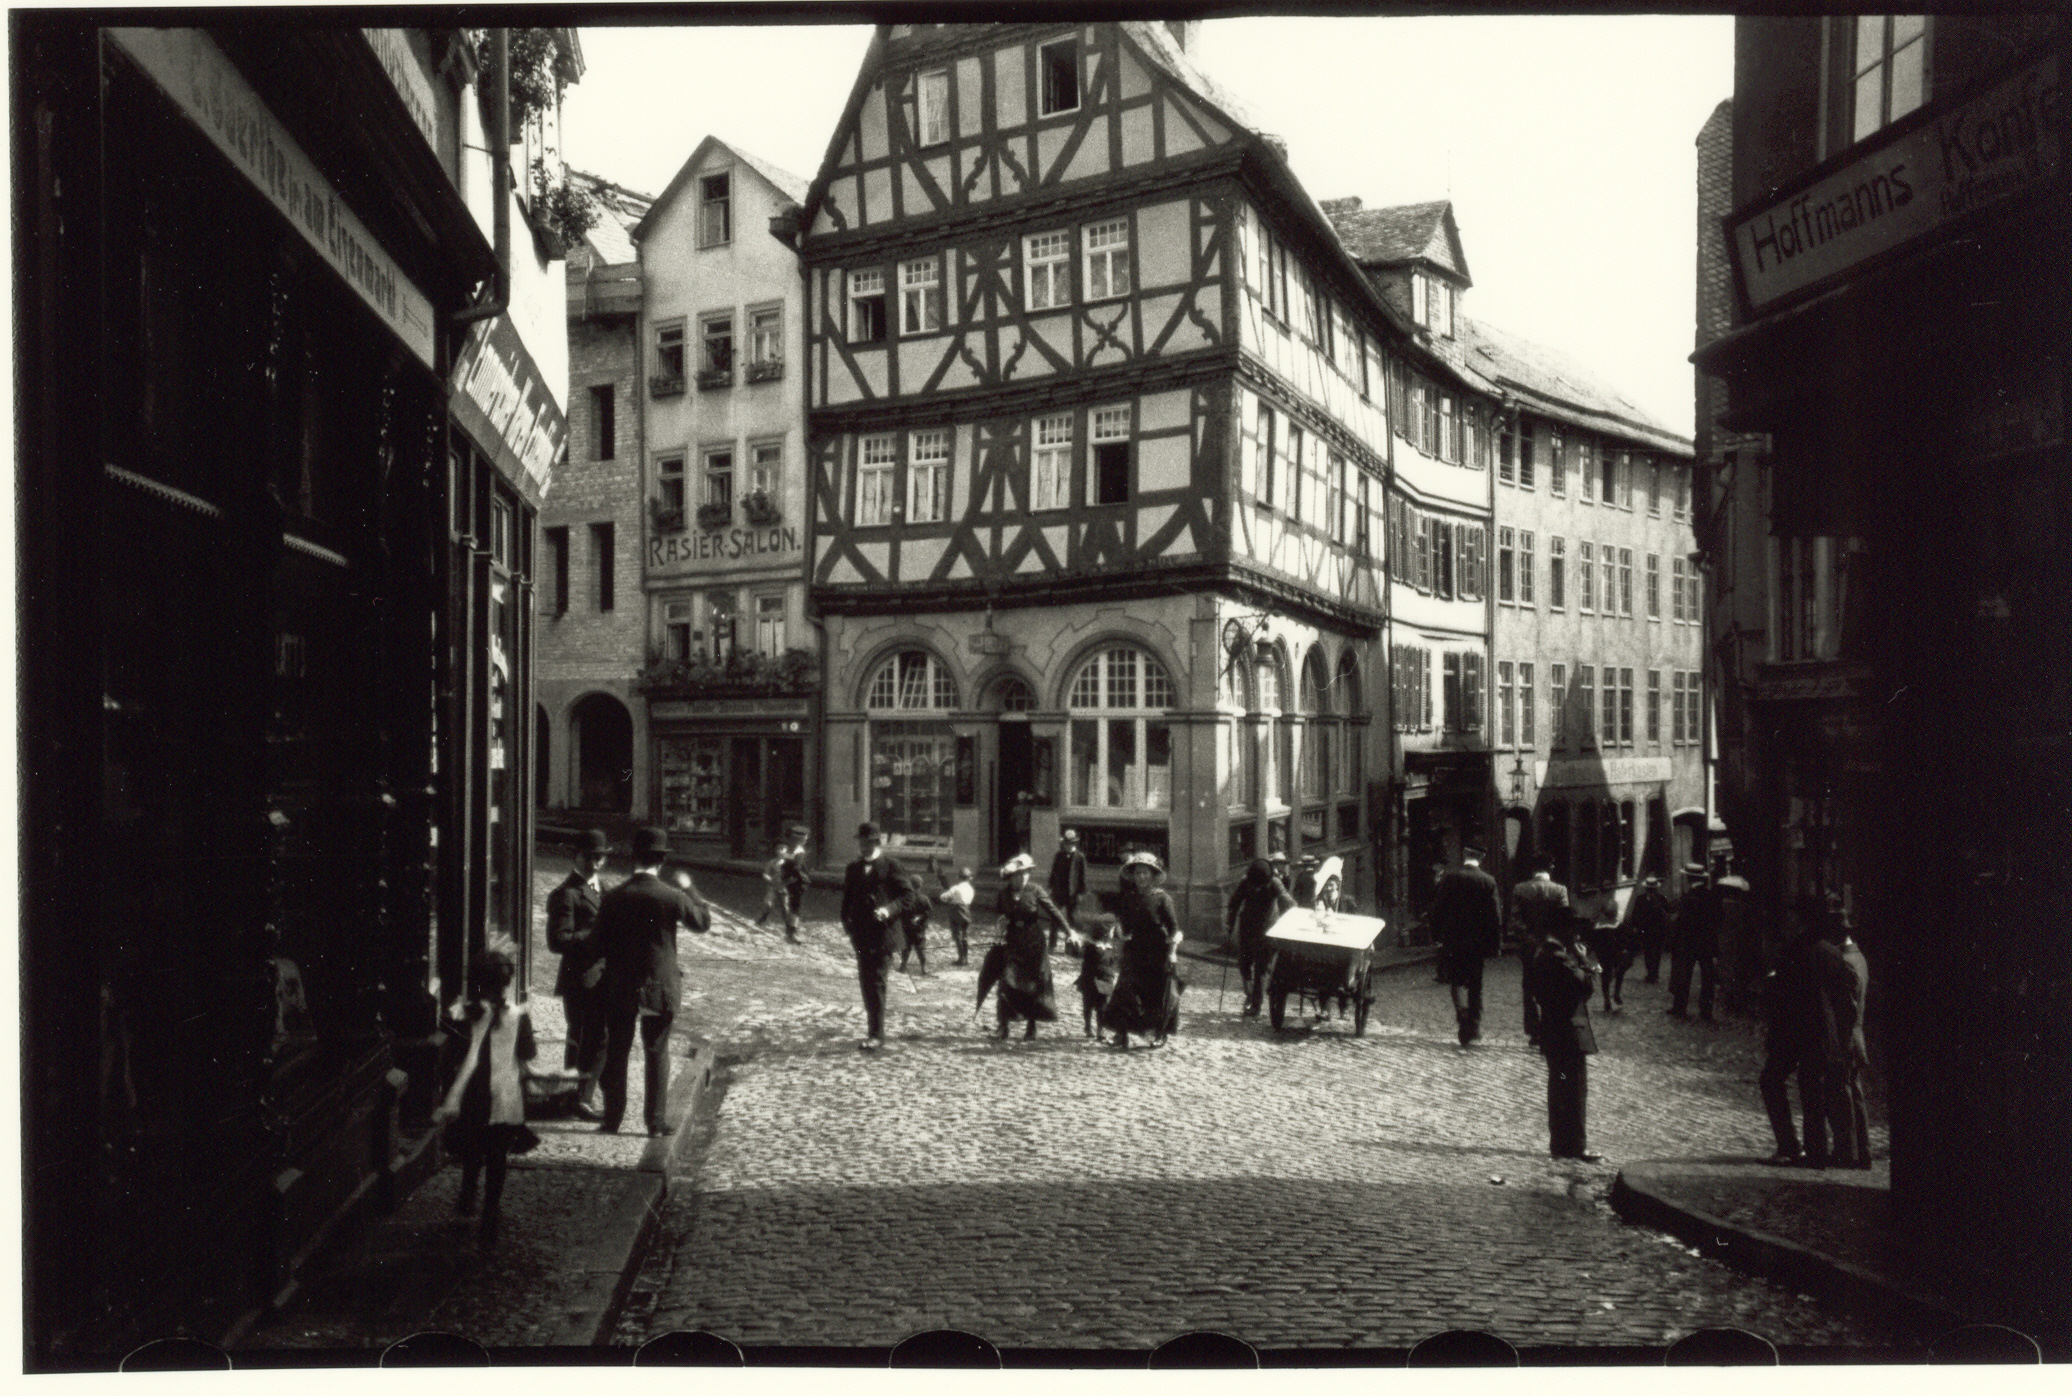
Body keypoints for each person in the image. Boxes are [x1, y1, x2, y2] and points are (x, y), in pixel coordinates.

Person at [592, 827, 710, 1136]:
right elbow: (701, 923)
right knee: (657, 1051)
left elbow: (598, 943)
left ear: (634, 858)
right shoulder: (672, 896)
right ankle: (655, 1123)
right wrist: (692, 890)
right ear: (661, 861)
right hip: (660, 986)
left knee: (617, 1051)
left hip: (621, 985)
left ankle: (612, 1119)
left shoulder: (615, 896)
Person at [435, 938, 540, 1247]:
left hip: (474, 1095)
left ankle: (468, 1193)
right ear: (506, 983)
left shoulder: (462, 1016)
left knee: (472, 1146)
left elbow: (452, 1057)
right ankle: (490, 1212)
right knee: (497, 1155)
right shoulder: (518, 1017)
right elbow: (528, 1052)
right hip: (505, 1095)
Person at [1758, 904, 1838, 1167]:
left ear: (1802, 922)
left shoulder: (1792, 951)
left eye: (1792, 917)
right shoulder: (1831, 952)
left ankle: (1789, 1145)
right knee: (1813, 1088)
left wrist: (1770, 984)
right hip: (1821, 1032)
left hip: (1792, 1032)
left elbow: (1782, 995)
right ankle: (1817, 1153)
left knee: (1771, 1080)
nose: (1788, 922)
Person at [1524, 911, 1603, 1162]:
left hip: (1554, 1032)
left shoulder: (1543, 954)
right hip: (1568, 1033)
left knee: (1559, 1089)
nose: (1577, 936)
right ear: (1563, 931)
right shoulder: (1558, 959)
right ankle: (1576, 1146)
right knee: (1574, 1090)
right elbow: (1584, 988)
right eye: (1573, 930)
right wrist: (1585, 962)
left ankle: (1560, 1145)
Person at [840, 822, 925, 1051]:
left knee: (876, 982)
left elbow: (908, 896)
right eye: (860, 842)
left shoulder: (891, 866)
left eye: (866, 843)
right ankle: (874, 1030)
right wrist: (847, 924)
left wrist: (889, 910)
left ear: (876, 843)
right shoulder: (853, 868)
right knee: (865, 982)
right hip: (860, 936)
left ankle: (876, 1035)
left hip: (883, 935)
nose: (862, 847)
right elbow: (847, 899)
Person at [546, 828, 609, 1121]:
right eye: (590, 858)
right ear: (576, 856)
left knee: (594, 1039)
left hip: (602, 978)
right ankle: (579, 1098)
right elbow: (558, 941)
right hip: (580, 980)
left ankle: (576, 1095)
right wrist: (596, 935)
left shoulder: (604, 890)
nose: (595, 864)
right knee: (587, 1039)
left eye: (600, 858)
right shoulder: (566, 894)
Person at [1102, 851, 1185, 1050]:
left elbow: (1174, 930)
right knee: (1124, 990)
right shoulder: (1129, 898)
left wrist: (1172, 953)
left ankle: (1160, 1034)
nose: (1141, 877)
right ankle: (1121, 1034)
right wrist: (1115, 933)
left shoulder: (1163, 899)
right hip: (1135, 951)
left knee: (1157, 995)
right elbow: (1126, 929)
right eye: (1138, 873)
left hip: (1157, 953)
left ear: (1153, 875)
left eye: (1145, 873)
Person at [988, 853, 1067, 1039]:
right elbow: (1000, 916)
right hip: (1012, 941)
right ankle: (1003, 1026)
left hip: (1034, 943)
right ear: (1011, 877)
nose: (1022, 877)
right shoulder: (1004, 894)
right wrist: (999, 929)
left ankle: (1031, 1027)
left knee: (1033, 985)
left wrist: (1069, 932)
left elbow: (1054, 912)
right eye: (1018, 874)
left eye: (1026, 873)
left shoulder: (1035, 890)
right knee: (1006, 981)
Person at [1431, 844, 1504, 1046]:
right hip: (1477, 944)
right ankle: (1474, 1026)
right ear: (1481, 858)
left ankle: (1462, 1014)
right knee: (1476, 985)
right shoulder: (1488, 881)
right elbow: (1495, 917)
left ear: (1464, 855)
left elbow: (1437, 909)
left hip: (1453, 941)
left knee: (1456, 981)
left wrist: (1437, 935)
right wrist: (1495, 945)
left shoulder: (1451, 878)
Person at [1824, 895, 1873, 1169]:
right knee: (1854, 1093)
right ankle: (1861, 1151)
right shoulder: (1860, 957)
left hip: (1847, 1036)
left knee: (1843, 1095)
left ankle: (1848, 1151)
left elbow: (1849, 1005)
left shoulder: (1846, 962)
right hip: (1857, 1034)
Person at [1225, 857, 1293, 1018]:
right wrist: (1229, 923)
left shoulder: (1275, 883)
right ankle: (1248, 993)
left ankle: (1255, 1005)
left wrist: (1291, 918)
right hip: (1247, 931)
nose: (1256, 888)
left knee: (1261, 971)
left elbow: (1288, 901)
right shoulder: (1246, 882)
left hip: (1267, 934)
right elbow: (1234, 903)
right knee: (1243, 964)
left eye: (1260, 885)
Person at [1668, 864, 1719, 1021]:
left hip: (1688, 942)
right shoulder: (1711, 895)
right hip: (1706, 942)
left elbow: (1682, 922)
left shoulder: (1689, 897)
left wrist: (1674, 940)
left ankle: (1679, 1008)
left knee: (1684, 975)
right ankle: (1706, 1011)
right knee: (1707, 977)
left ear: (1690, 878)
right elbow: (1716, 919)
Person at [756, 823, 810, 943]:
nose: (806, 840)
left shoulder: (792, 851)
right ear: (800, 839)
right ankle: (791, 934)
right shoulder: (798, 852)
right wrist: (788, 880)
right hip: (795, 883)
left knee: (791, 908)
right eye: (804, 838)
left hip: (791, 882)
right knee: (794, 908)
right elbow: (795, 869)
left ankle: (790, 933)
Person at [1623, 874, 1674, 984]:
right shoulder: (1640, 899)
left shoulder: (1661, 898)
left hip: (1659, 930)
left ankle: (1654, 974)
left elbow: (1669, 909)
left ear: (1655, 889)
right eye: (1649, 889)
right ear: (1646, 888)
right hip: (1645, 930)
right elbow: (1635, 914)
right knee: (1647, 953)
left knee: (1657, 953)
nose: (1651, 890)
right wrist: (1636, 926)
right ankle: (1651, 973)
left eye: (1652, 889)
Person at [1047, 828, 1088, 952]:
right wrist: (1050, 886)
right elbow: (1054, 872)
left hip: (1072, 893)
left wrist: (1081, 893)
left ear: (1075, 844)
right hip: (1059, 892)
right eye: (1066, 844)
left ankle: (1070, 946)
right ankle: (1052, 945)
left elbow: (1083, 877)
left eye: (1071, 844)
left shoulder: (1080, 857)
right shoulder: (1059, 855)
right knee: (1055, 919)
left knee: (1071, 921)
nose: (1068, 846)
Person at [930, 858, 976, 966]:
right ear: (969, 878)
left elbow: (943, 897)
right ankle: (966, 958)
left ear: (959, 877)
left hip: (956, 912)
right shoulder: (971, 889)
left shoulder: (955, 888)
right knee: (964, 936)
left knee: (957, 935)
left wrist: (945, 894)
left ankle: (961, 959)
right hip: (967, 911)